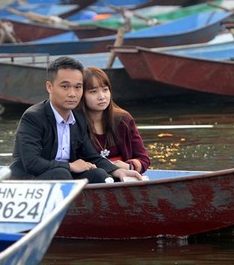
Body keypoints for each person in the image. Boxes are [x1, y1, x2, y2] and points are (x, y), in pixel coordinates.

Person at [10, 56, 142, 183]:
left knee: (99, 174)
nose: (72, 94)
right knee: (61, 173)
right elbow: (32, 163)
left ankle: (94, 206)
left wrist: (117, 171)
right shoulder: (33, 117)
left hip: (65, 177)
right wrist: (70, 166)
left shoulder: (78, 119)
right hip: (30, 181)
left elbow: (92, 156)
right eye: (65, 87)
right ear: (49, 87)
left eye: (78, 87)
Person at [79, 66, 150, 175]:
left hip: (125, 178)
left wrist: (129, 166)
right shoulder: (74, 124)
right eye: (93, 91)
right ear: (81, 95)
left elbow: (144, 159)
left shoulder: (123, 120)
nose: (102, 96)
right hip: (93, 179)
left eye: (105, 90)